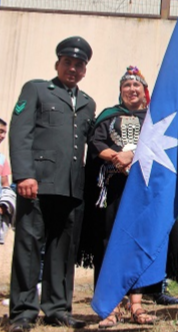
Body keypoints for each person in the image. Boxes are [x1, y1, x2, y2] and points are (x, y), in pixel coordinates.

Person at [8, 37, 96, 331]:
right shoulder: (36, 90)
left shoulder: (87, 103)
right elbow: (21, 134)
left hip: (71, 189)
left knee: (63, 250)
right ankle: (23, 311)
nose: (73, 68)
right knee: (29, 246)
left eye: (79, 64)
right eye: (68, 62)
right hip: (37, 184)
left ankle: (58, 307)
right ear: (57, 64)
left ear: (85, 70)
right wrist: (24, 175)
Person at [83, 66, 157, 327]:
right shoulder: (108, 116)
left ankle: (136, 305)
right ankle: (109, 306)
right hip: (112, 188)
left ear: (143, 90)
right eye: (126, 85)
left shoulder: (153, 118)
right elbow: (95, 144)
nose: (131, 90)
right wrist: (118, 156)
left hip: (141, 190)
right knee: (109, 242)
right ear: (120, 90)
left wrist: (134, 157)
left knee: (137, 243)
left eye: (136, 85)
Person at [0, 119, 11, 187]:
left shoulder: (2, 159)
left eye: (4, 133)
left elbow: (5, 185)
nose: (3, 136)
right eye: (1, 131)